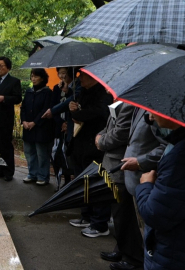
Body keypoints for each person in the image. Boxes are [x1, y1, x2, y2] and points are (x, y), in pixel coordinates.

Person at [136, 113, 185, 269]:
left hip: (180, 254)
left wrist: (146, 185)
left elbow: (155, 213)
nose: (150, 113)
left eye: (156, 109)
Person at [102, 109, 167, 270]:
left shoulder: (159, 110)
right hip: (131, 176)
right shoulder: (139, 106)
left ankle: (137, 261)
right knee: (129, 220)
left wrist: (140, 161)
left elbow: (165, 145)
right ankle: (125, 252)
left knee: (143, 229)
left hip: (144, 176)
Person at [95, 102, 144, 270]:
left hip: (125, 166)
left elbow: (120, 133)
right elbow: (110, 125)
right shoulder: (122, 102)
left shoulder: (134, 104)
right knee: (119, 214)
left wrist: (102, 141)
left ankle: (133, 258)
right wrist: (100, 136)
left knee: (125, 215)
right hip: (116, 164)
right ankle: (122, 249)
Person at [67, 71, 113, 237]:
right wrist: (73, 106)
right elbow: (79, 111)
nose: (79, 78)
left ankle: (99, 222)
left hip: (95, 145)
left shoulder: (104, 95)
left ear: (93, 77)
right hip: (80, 144)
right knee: (82, 182)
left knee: (95, 183)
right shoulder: (82, 93)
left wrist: (77, 113)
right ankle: (86, 215)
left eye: (83, 75)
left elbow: (96, 114)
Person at [20, 68, 54, 185]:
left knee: (42, 153)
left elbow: (46, 109)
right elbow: (23, 107)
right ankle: (32, 174)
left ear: (42, 78)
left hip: (41, 128)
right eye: (32, 76)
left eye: (36, 76)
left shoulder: (47, 92)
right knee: (29, 152)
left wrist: (35, 122)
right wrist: (24, 120)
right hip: (28, 127)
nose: (33, 79)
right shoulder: (29, 91)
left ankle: (43, 176)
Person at [50, 67, 73, 190]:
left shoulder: (74, 88)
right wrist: (61, 122)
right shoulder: (55, 88)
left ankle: (70, 181)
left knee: (67, 154)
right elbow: (54, 107)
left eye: (65, 72)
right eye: (60, 72)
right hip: (59, 126)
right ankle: (61, 181)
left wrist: (68, 90)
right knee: (57, 153)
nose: (62, 75)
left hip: (71, 125)